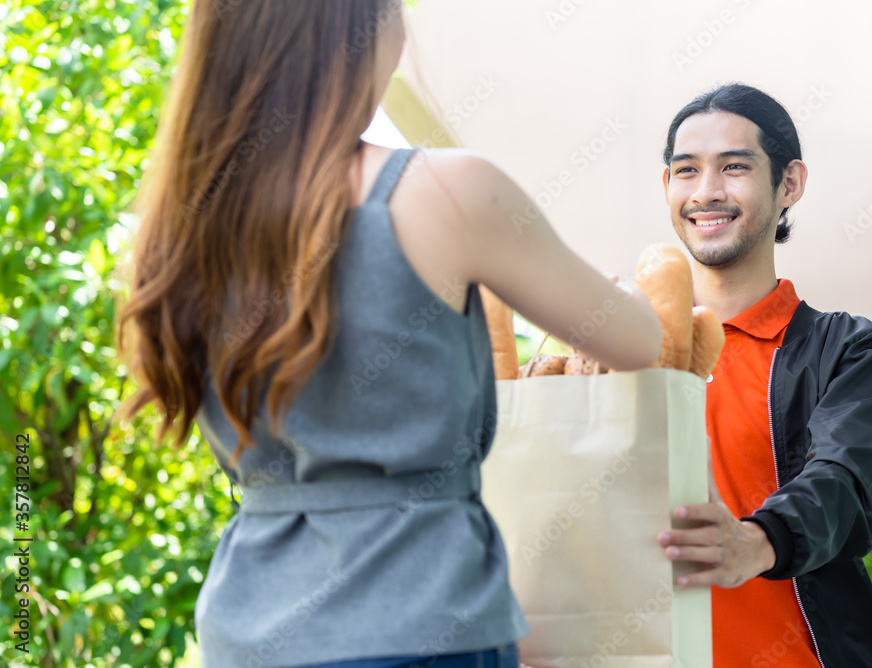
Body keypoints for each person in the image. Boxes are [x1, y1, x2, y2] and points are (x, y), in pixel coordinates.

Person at [114, 1, 663, 667]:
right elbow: (638, 340)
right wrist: (631, 293)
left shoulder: (183, 227)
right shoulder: (448, 191)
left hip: (247, 632)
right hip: (424, 622)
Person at [654, 83, 872, 667]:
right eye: (686, 170)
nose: (707, 192)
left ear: (789, 183)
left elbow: (841, 484)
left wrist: (756, 541)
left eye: (734, 167)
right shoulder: (624, 351)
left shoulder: (851, 351)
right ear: (667, 186)